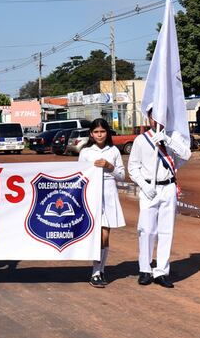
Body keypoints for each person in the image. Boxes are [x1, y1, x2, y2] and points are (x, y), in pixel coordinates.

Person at [128, 113, 191, 288]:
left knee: (166, 231)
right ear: (148, 117)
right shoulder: (141, 140)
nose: (157, 120)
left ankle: (161, 271)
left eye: (161, 116)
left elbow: (186, 155)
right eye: (153, 116)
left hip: (169, 186)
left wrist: (167, 140)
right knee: (146, 230)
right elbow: (133, 167)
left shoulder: (174, 136)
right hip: (149, 188)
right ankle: (145, 269)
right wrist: (143, 184)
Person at [78, 118, 126, 287]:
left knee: (105, 235)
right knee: (97, 235)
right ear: (91, 134)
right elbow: (79, 175)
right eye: (96, 132)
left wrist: (109, 166)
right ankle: (96, 272)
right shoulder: (85, 152)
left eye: (103, 131)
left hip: (109, 194)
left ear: (107, 133)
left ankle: (99, 270)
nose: (99, 135)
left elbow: (122, 176)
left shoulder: (113, 151)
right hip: (92, 195)